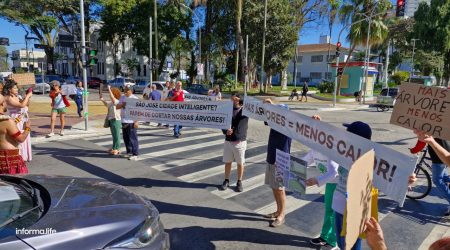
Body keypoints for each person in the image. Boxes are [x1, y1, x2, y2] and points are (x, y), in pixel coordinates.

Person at [332, 121, 378, 250]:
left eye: (348, 133)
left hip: (354, 211)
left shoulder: (372, 157)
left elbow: (391, 177)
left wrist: (408, 179)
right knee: (341, 244)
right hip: (338, 205)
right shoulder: (344, 151)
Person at [304, 116, 339, 249]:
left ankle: (333, 241)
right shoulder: (315, 149)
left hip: (339, 184)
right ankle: (325, 236)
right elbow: (303, 161)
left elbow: (334, 172)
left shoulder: (329, 150)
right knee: (329, 210)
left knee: (335, 212)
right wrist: (287, 166)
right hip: (331, 184)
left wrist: (316, 180)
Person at [262, 98, 291, 228]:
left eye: (279, 113)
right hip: (271, 156)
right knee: (274, 187)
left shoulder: (289, 126)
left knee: (280, 189)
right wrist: (268, 106)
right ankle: (278, 211)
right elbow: (265, 116)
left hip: (281, 160)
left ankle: (282, 215)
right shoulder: (273, 122)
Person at [414, 129, 450, 216]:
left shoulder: (430, 126)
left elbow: (422, 141)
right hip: (444, 151)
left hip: (439, 158)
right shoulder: (437, 127)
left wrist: (414, 150)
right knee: (444, 177)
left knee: (437, 180)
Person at [220, 93, 249, 192]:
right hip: (228, 140)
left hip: (240, 141)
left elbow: (252, 105)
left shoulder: (246, 110)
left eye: (235, 99)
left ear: (239, 99)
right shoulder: (227, 110)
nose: (233, 101)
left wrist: (242, 100)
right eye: (232, 99)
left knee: (240, 163)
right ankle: (226, 180)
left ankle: (239, 182)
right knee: (228, 161)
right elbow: (222, 122)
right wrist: (225, 131)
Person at [0, 94, 31, 174]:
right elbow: (21, 139)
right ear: (2, 104)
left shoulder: (7, 121)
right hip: (10, 157)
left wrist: (16, 121)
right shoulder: (7, 121)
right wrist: (27, 128)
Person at [3, 79, 33, 162]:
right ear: (9, 89)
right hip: (16, 119)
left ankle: (25, 156)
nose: (17, 89)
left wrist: (27, 96)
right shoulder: (8, 98)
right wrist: (27, 96)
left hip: (23, 118)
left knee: (25, 135)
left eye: (17, 88)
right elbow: (21, 105)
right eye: (15, 88)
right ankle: (19, 157)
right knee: (19, 137)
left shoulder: (18, 96)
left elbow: (26, 104)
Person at [116, 85, 139, 160]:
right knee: (126, 138)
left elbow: (138, 111)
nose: (125, 91)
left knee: (133, 138)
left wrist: (136, 121)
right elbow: (117, 107)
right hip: (124, 120)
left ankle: (135, 154)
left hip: (131, 121)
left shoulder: (135, 98)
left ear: (131, 91)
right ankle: (129, 152)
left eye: (127, 90)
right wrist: (122, 104)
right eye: (125, 90)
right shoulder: (122, 97)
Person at [100, 86, 122, 155]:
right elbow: (107, 105)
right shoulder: (112, 103)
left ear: (114, 94)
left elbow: (112, 98)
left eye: (111, 93)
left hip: (116, 120)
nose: (109, 95)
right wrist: (102, 99)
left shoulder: (117, 101)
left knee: (117, 135)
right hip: (111, 120)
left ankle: (117, 149)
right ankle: (114, 147)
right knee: (114, 135)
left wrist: (109, 89)